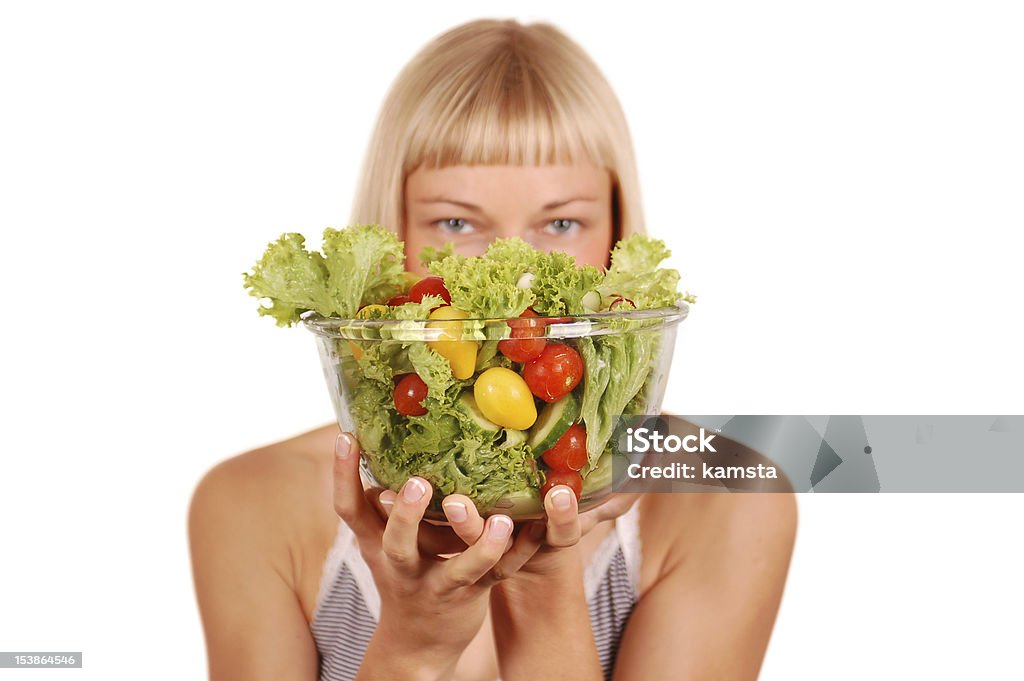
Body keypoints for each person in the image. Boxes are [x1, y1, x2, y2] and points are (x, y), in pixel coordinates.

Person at [188, 18, 797, 681]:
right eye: (456, 222)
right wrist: (411, 646)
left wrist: (546, 592)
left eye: (561, 223)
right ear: (391, 238)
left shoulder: (730, 502)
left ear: (619, 239)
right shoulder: (249, 505)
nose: (516, 278)